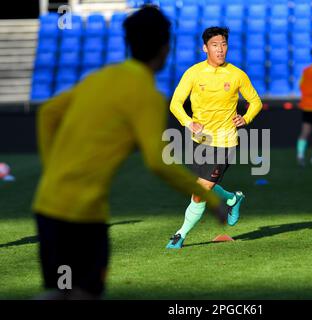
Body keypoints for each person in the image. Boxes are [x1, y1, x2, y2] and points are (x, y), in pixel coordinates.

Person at [32, 6, 224, 300]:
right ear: (165, 48)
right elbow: (158, 162)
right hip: (83, 215)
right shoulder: (146, 94)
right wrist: (211, 200)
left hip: (47, 205)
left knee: (60, 291)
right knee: (84, 293)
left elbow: (47, 113)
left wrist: (51, 167)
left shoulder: (102, 76)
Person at [166, 26, 263, 249]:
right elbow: (175, 104)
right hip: (199, 140)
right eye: (215, 45)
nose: (220, 50)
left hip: (225, 141)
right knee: (199, 185)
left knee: (199, 192)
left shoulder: (237, 75)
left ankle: (180, 235)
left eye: (224, 44)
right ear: (205, 48)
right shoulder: (193, 73)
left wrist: (246, 118)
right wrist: (189, 122)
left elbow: (256, 101)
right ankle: (232, 199)